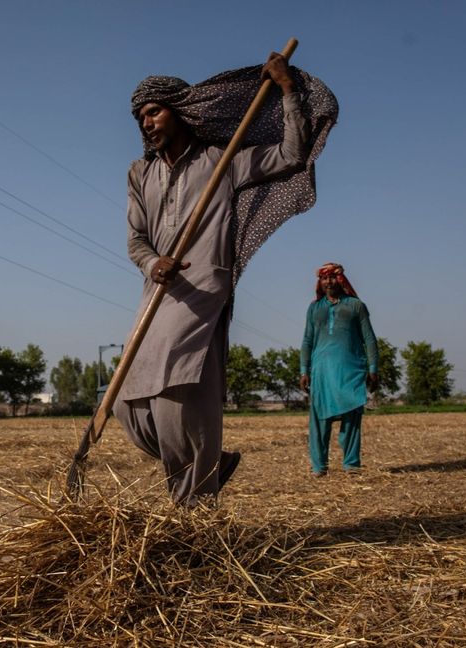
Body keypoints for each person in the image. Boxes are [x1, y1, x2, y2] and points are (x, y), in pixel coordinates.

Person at [112, 52, 338, 505]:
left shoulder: (223, 160)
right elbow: (136, 238)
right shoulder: (140, 173)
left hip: (202, 291)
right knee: (125, 401)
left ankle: (192, 509)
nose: (146, 123)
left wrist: (288, 90)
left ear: (181, 110)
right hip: (156, 289)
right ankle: (210, 463)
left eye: (154, 111)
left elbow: (292, 155)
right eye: (140, 117)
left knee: (174, 397)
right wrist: (153, 263)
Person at [299, 263, 378, 477]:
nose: (328, 282)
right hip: (321, 371)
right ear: (320, 283)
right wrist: (304, 370)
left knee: (352, 416)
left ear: (341, 280)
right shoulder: (314, 308)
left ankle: (351, 464)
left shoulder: (356, 306)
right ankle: (319, 466)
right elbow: (307, 340)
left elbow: (369, 338)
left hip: (351, 370)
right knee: (320, 421)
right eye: (324, 279)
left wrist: (373, 369)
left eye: (332, 278)